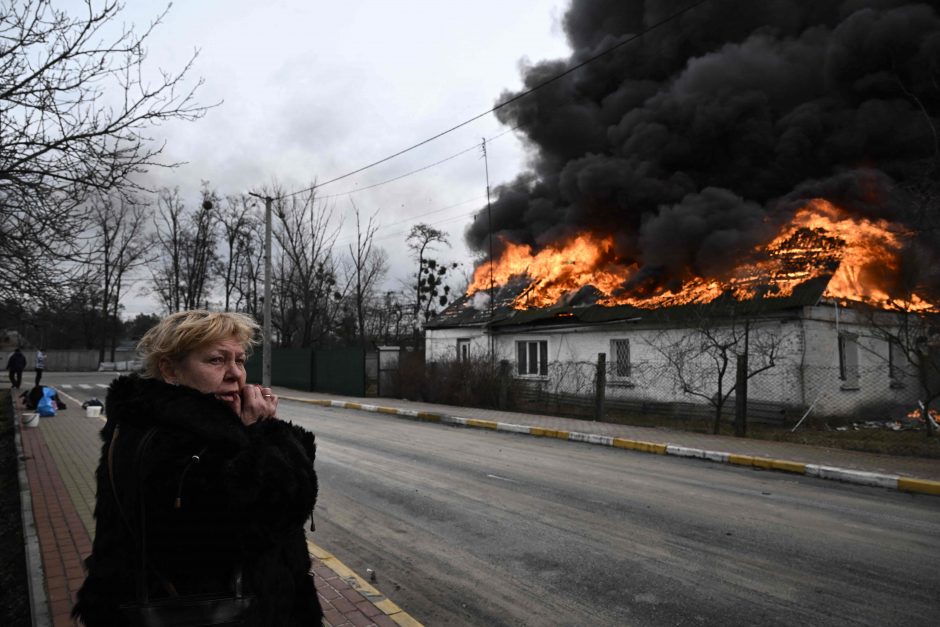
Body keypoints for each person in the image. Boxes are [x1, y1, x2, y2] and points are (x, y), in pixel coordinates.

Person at [73, 311, 322, 626]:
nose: (236, 374)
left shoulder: (152, 423)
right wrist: (263, 430)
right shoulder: (175, 445)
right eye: (217, 361)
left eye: (240, 360)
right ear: (170, 369)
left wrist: (247, 433)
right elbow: (275, 510)